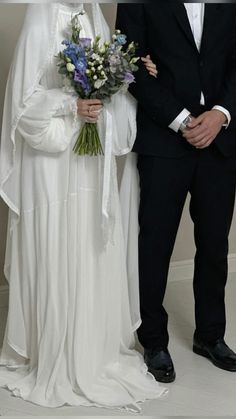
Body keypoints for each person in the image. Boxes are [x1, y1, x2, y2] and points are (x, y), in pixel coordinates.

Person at [0, 3, 166, 411]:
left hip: (87, 158)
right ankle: (50, 348)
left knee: (88, 241)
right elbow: (22, 102)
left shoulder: (93, 15)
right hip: (51, 162)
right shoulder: (42, 12)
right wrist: (69, 106)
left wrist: (128, 77)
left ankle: (90, 347)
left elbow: (112, 90)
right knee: (56, 243)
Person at [116, 3, 236, 383]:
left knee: (215, 244)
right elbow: (128, 64)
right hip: (164, 139)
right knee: (155, 244)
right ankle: (153, 340)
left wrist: (220, 113)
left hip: (221, 139)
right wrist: (182, 119)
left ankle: (210, 336)